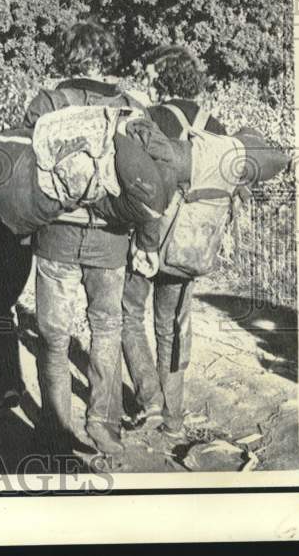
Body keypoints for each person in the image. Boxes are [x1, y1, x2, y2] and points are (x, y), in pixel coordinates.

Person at [20, 20, 152, 456]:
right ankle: (104, 424)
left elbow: (25, 166)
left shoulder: (47, 103)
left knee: (54, 337)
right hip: (110, 239)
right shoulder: (130, 106)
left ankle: (56, 429)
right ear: (105, 58)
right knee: (107, 328)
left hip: (56, 236)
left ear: (68, 56)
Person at [121, 46, 226, 438]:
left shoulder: (150, 118)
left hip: (148, 235)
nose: (147, 80)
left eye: (152, 74)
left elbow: (134, 178)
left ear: (163, 78)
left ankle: (148, 398)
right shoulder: (214, 125)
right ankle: (174, 416)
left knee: (129, 313)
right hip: (192, 241)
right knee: (174, 325)